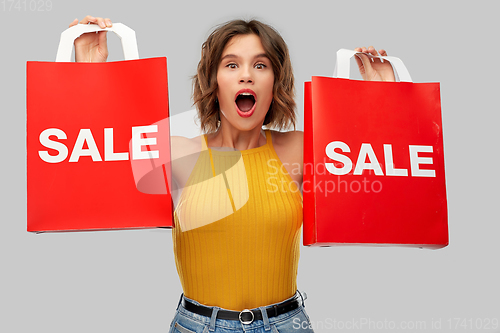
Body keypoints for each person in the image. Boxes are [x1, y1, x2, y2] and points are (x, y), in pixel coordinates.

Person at [69, 15, 396, 333]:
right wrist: (89, 71)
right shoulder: (176, 152)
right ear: (214, 82)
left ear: (275, 81)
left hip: (286, 325)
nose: (246, 76)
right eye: (231, 64)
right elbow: (95, 158)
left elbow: (382, 185)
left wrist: (385, 102)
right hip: (197, 326)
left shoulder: (302, 149)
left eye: (260, 65)